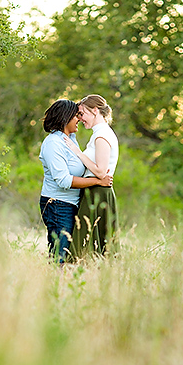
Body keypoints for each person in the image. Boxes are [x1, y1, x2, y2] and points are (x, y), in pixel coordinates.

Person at [38, 99, 113, 264]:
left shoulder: (70, 139)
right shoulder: (53, 143)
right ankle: (54, 285)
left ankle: (64, 285)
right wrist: (97, 182)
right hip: (57, 205)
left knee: (72, 254)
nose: (79, 119)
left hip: (70, 204)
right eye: (76, 115)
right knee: (61, 255)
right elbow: (64, 180)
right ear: (65, 118)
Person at [63, 94, 120, 257]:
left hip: (98, 193)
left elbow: (101, 171)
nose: (80, 119)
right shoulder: (99, 134)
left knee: (85, 248)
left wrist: (78, 153)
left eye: (82, 114)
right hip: (93, 191)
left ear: (95, 111)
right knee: (88, 247)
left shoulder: (102, 136)